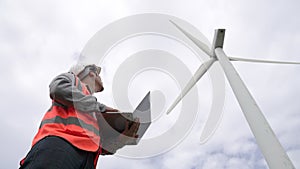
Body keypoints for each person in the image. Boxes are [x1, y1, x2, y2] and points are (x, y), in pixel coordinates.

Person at [19, 64, 140, 169]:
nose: (100, 76)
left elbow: (100, 146)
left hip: (87, 160)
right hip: (60, 145)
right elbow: (58, 89)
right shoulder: (71, 79)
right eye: (98, 73)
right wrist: (99, 107)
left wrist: (122, 140)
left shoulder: (95, 111)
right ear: (90, 73)